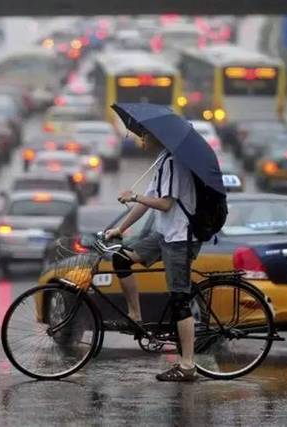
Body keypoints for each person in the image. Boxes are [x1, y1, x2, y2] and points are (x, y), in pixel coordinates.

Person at [105, 131, 201, 382]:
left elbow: (166, 204)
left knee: (179, 300)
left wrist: (134, 195)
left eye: (145, 136)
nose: (141, 140)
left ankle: (188, 365)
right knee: (121, 258)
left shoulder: (173, 162)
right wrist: (121, 229)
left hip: (181, 238)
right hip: (164, 234)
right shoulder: (162, 161)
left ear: (159, 138)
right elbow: (147, 203)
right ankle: (136, 317)